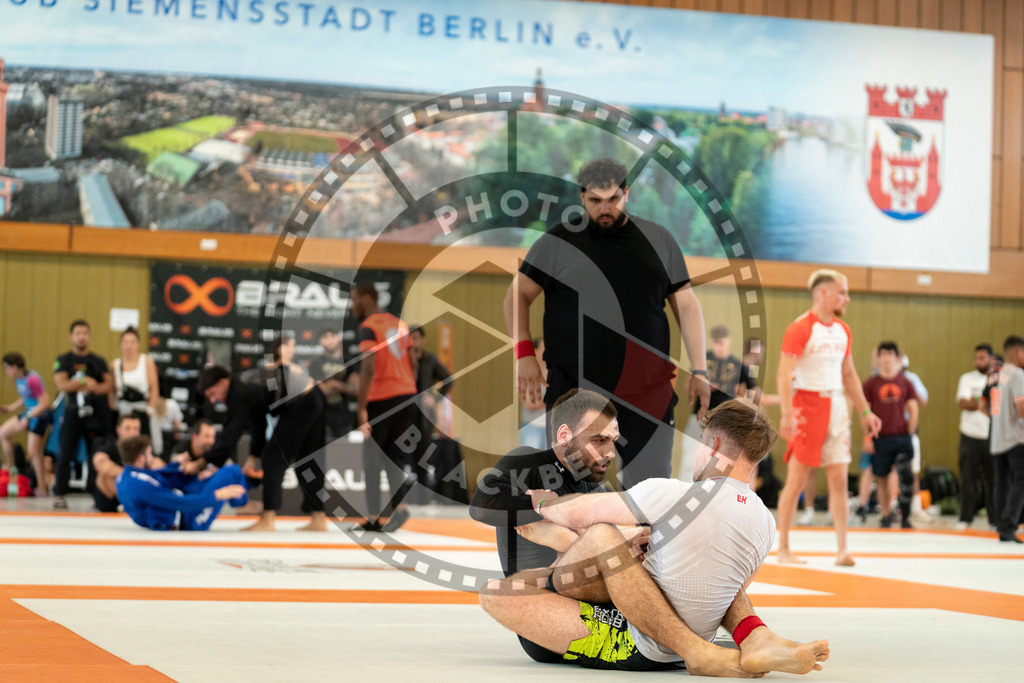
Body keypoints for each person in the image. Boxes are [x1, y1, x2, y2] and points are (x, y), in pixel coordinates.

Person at [478, 397, 828, 675]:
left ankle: (696, 652)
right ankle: (756, 635)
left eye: (611, 441)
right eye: (600, 440)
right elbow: (726, 591)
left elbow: (578, 514)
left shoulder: (674, 494)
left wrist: (543, 512)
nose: (609, 452)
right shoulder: (765, 522)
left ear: (714, 443)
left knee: (506, 590)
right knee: (704, 565)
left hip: (638, 638)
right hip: (672, 621)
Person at [504, 158, 710, 488]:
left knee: (650, 494)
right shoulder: (557, 242)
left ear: (626, 193)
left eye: (613, 199)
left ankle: (643, 542)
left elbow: (686, 304)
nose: (605, 209)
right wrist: (524, 353)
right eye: (595, 200)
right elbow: (516, 296)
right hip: (574, 391)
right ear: (582, 197)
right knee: (569, 491)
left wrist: (700, 370)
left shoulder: (659, 240)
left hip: (647, 390)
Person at [775, 270, 881, 566]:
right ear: (824, 293)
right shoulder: (801, 328)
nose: (847, 298)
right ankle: (783, 547)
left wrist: (865, 410)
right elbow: (784, 373)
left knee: (839, 479)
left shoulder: (843, 330)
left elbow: (849, 375)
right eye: (842, 292)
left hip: (837, 406)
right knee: (796, 479)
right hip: (807, 405)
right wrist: (787, 414)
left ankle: (842, 549)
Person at [198, 355, 327, 533]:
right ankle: (319, 519)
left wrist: (203, 462)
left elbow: (230, 436)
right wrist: (253, 456)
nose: (213, 401)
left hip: (302, 402)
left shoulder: (239, 391)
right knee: (307, 461)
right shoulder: (245, 385)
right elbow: (258, 422)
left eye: (212, 394)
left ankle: (268, 519)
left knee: (273, 459)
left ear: (222, 383)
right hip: (314, 396)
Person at [352, 282, 416, 532]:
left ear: (367, 298)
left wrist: (361, 409)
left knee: (372, 460)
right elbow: (413, 362)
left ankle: (374, 516)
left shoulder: (368, 327)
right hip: (406, 395)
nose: (352, 306)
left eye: (355, 299)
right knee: (395, 457)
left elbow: (368, 368)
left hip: (382, 398)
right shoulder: (399, 323)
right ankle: (394, 512)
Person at [115, 435, 248, 531]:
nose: (153, 458)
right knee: (232, 472)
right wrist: (218, 495)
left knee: (223, 473)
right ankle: (239, 502)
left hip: (181, 508)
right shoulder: (140, 486)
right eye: (150, 454)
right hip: (191, 518)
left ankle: (239, 496)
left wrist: (178, 466)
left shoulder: (125, 478)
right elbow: (182, 503)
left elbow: (160, 479)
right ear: (140, 458)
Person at [53, 319, 115, 510]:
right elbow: (61, 385)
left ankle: (96, 493)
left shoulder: (98, 361)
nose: (82, 337)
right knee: (65, 452)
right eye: (78, 333)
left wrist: (93, 385)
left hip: (95, 415)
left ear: (90, 336)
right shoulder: (64, 360)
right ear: (72, 336)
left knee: (96, 453)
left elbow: (107, 386)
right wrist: (84, 382)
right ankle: (60, 494)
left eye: (85, 333)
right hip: (73, 413)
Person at [680, 325, 753, 482]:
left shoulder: (737, 365)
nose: (719, 346)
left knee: (721, 458)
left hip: (724, 419)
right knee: (690, 456)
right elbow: (687, 385)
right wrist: (703, 385)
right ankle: (685, 490)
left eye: (722, 342)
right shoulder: (703, 360)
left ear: (729, 341)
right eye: (716, 342)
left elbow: (742, 395)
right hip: (700, 416)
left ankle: (714, 493)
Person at [861, 342, 919, 528]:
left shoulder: (905, 382)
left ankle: (905, 515)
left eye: (890, 354)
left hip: (901, 435)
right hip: (881, 436)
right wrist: (868, 437)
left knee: (906, 476)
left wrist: (910, 432)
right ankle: (885, 514)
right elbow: (864, 412)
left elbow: (913, 407)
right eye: (883, 354)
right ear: (878, 358)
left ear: (897, 358)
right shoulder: (871, 384)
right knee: (882, 477)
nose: (886, 358)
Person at [983, 335, 1024, 543]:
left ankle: (1001, 524)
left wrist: (999, 421)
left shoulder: (994, 376)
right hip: (1016, 437)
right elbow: (1022, 407)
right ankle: (1009, 523)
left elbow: (983, 405)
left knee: (1002, 482)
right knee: (1021, 480)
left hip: (998, 437)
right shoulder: (1017, 374)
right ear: (1019, 353)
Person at [1, 352, 53, 496]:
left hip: (39, 415)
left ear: (15, 366)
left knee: (34, 452)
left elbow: (45, 403)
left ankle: (42, 487)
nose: (6, 372)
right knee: (3, 433)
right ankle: (11, 470)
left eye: (7, 368)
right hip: (29, 412)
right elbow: (25, 398)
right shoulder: (18, 379)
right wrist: (10, 408)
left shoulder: (32, 379)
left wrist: (28, 417)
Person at [955, 343, 995, 530]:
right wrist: (984, 401)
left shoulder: (996, 379)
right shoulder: (967, 379)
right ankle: (965, 518)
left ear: (991, 359)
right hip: (969, 435)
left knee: (993, 479)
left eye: (982, 358)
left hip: (991, 435)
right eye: (976, 358)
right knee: (968, 479)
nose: (979, 361)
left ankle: (994, 519)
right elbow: (965, 403)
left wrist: (977, 400)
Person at [109, 327, 159, 441]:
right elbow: (112, 390)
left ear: (138, 344)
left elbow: (154, 388)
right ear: (121, 344)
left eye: (132, 342)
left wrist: (150, 409)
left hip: (141, 410)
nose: (129, 346)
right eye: (126, 342)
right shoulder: (114, 365)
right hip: (122, 410)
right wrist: (112, 406)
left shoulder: (146, 361)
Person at [309, 327, 358, 440]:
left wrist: (333, 385)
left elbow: (356, 389)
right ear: (320, 341)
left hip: (343, 416)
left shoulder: (348, 361)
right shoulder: (315, 363)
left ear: (338, 338)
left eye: (333, 336)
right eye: (326, 337)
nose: (330, 340)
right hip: (321, 416)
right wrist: (344, 386)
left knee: (340, 453)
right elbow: (320, 389)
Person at [90, 412, 144, 512]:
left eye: (135, 429)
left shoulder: (144, 449)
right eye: (128, 428)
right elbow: (99, 461)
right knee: (105, 476)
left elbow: (155, 464)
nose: (132, 433)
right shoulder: (109, 445)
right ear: (118, 429)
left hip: (135, 493)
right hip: (111, 497)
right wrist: (128, 475)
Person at [409, 325, 453, 441]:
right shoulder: (402, 361)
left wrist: (435, 398)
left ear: (423, 340)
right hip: (406, 413)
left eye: (416, 338)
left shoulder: (430, 359)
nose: (413, 342)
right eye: (409, 338)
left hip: (425, 415)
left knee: (424, 451)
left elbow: (448, 380)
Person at [519, 337, 548, 450]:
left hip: (550, 428)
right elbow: (530, 404)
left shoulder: (553, 373)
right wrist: (551, 400)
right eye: (544, 348)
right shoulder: (528, 373)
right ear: (535, 351)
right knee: (529, 461)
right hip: (532, 427)